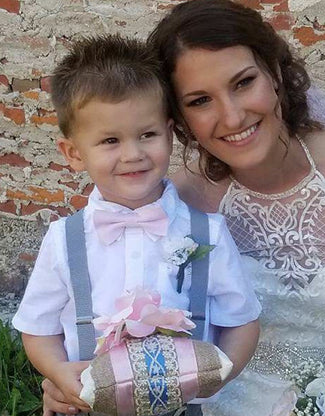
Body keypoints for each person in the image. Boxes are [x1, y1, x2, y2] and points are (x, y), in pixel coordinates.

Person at [146, 0, 325, 414]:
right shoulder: (179, 201)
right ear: (179, 118)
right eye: (200, 100)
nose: (232, 116)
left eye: (243, 82)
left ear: (274, 73)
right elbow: (139, 324)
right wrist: (73, 375)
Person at [12, 34, 261, 415]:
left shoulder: (207, 232)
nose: (133, 154)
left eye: (147, 135)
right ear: (74, 153)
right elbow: (37, 327)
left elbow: (242, 321)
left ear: (169, 132)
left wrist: (218, 379)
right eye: (110, 140)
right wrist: (59, 372)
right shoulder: (64, 240)